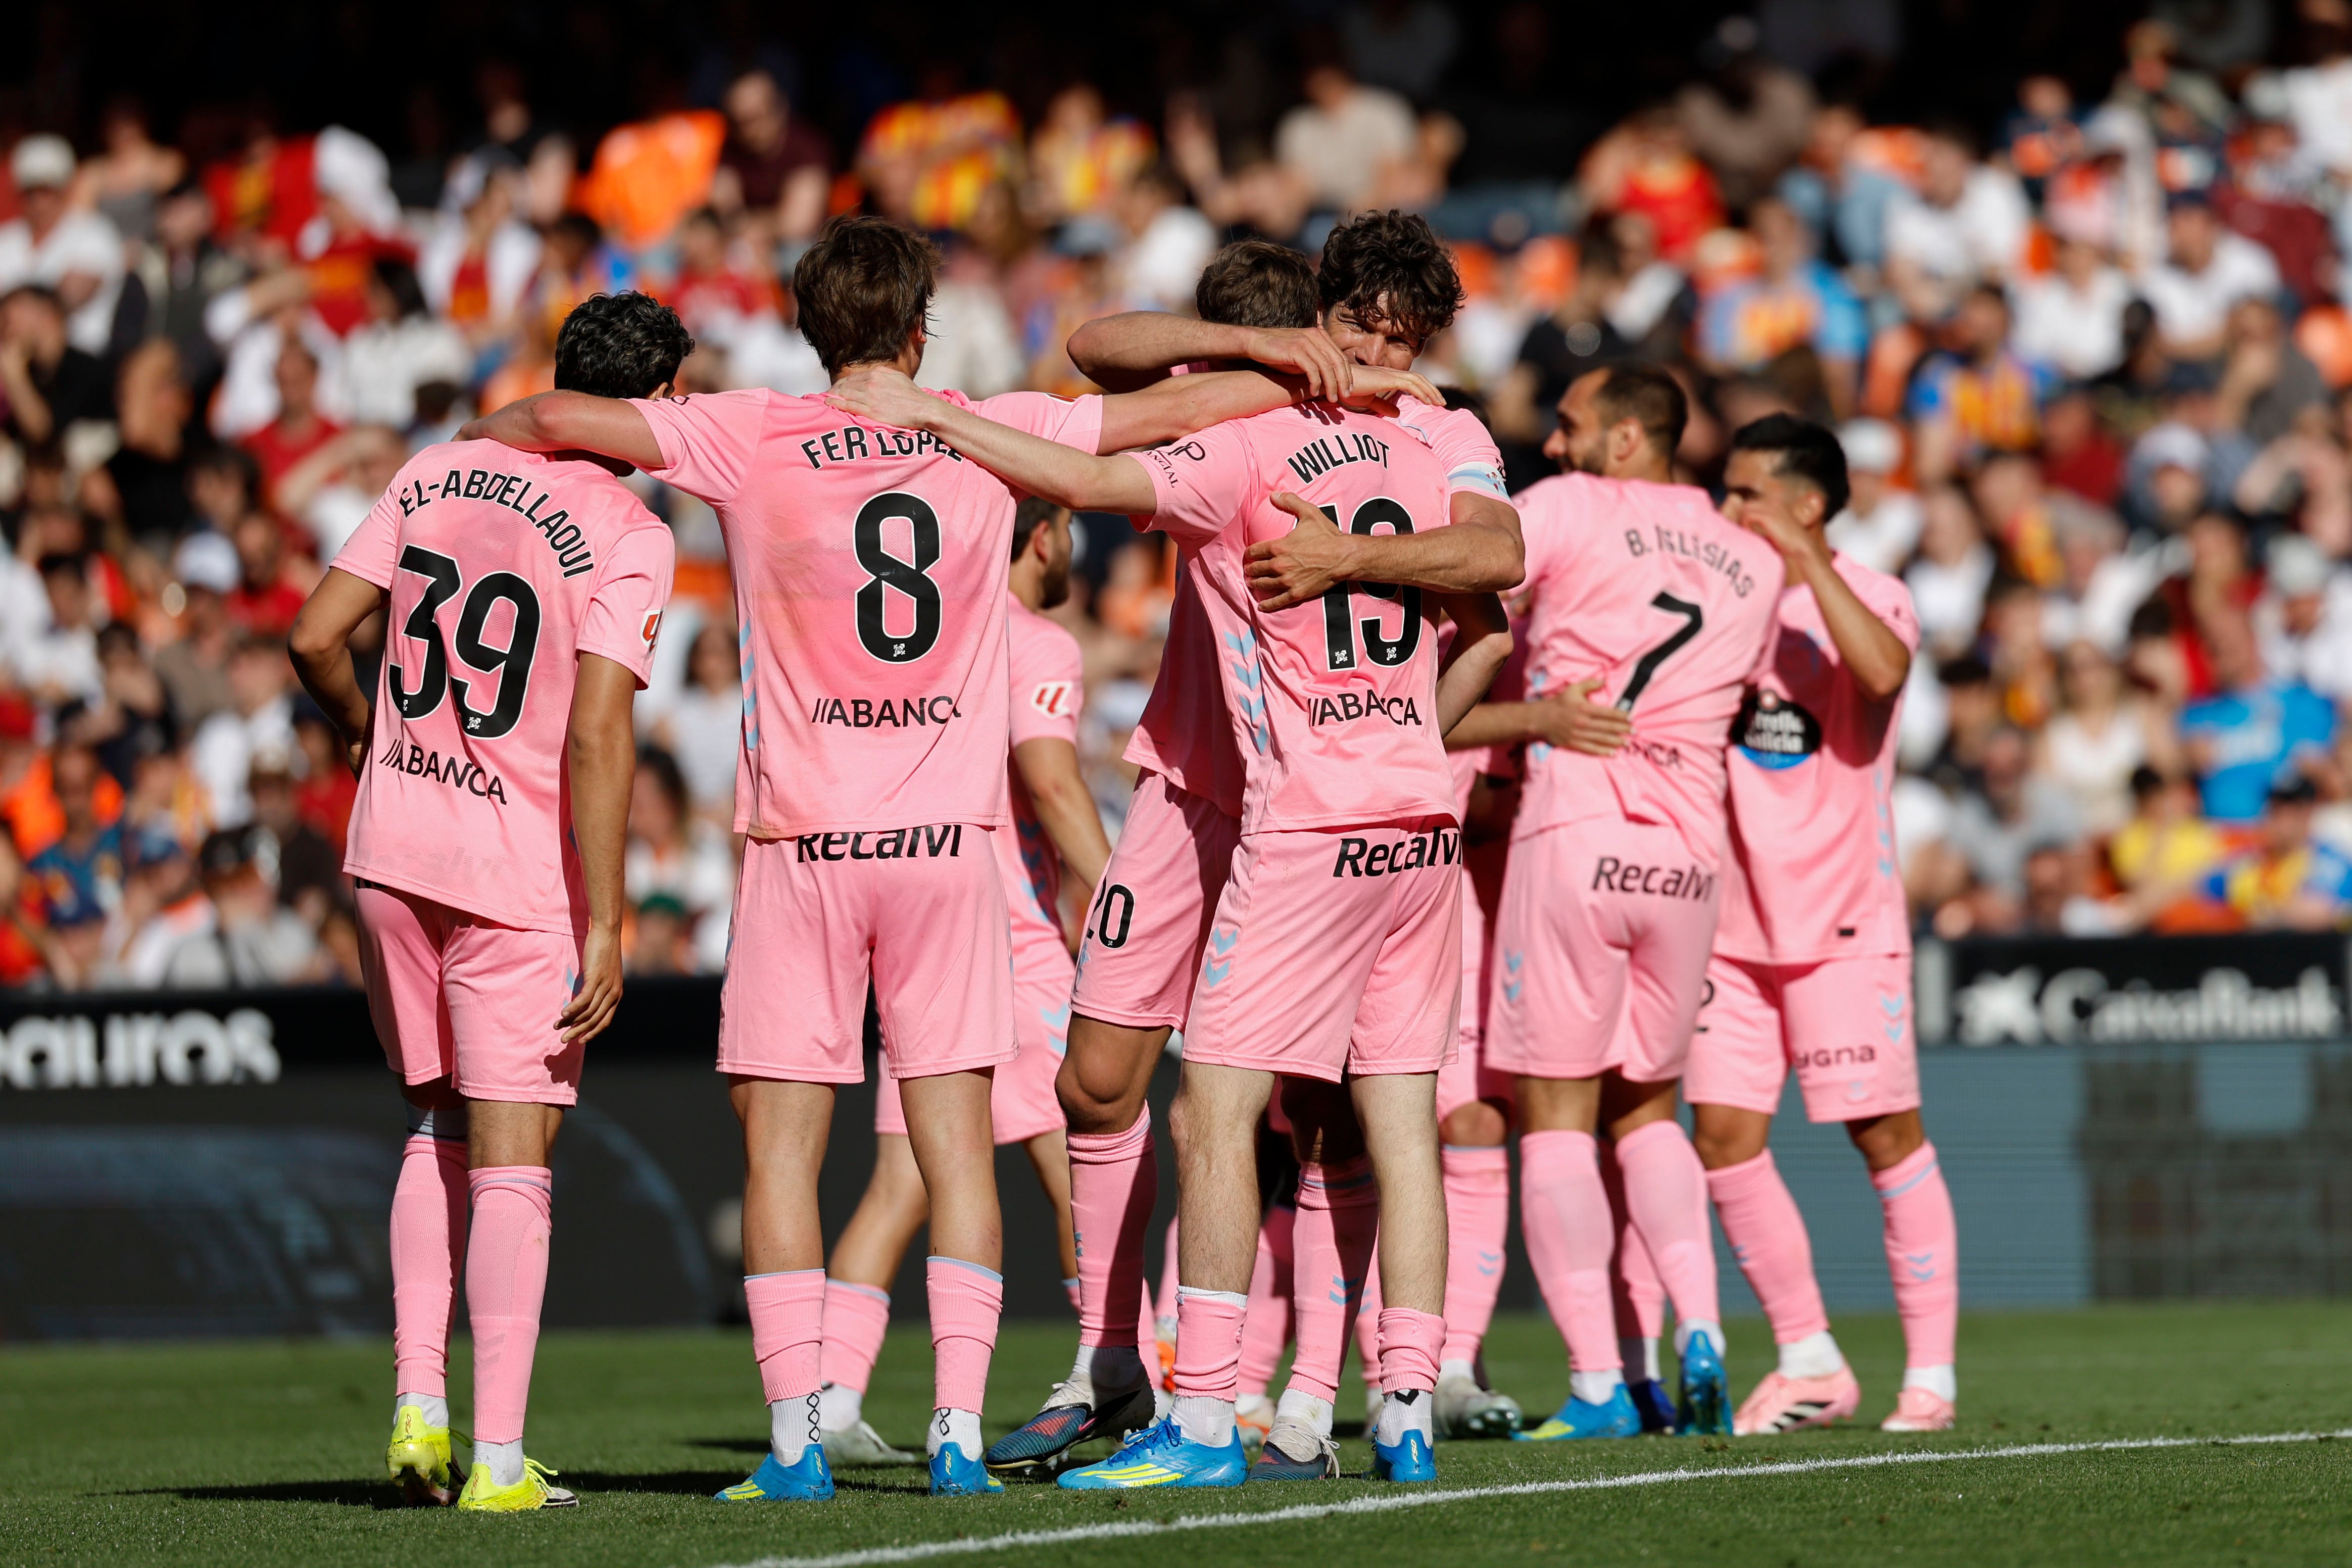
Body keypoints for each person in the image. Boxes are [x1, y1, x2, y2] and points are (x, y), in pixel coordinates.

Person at [461, 215, 1441, 1503]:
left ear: (812, 331)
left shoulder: (746, 429)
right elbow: (1158, 412)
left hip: (801, 845)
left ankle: (797, 1444)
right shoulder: (989, 420)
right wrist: (1331, 368)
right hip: (949, 850)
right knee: (959, 1150)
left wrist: (475, 471)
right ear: (922, 328)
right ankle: (962, 1436)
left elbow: (538, 420)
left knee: (783, 1156)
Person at [823, 293, 1514, 1493]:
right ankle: (1149, 1366)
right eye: (1368, 335)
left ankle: (1260, 1397)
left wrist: (926, 413)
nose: (1385, 359)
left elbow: (1089, 474)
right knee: (1107, 1086)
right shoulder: (1360, 423)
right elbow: (1095, 346)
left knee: (1255, 1113)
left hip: (1302, 808)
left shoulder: (1356, 434)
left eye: (1405, 341)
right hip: (1226, 792)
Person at [287, 289, 687, 1513]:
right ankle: (499, 1463)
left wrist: (371, 741)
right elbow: (603, 727)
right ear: (652, 403)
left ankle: (420, 1415)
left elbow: (314, 638)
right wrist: (611, 915)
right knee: (515, 1157)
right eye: (678, 398)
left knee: (438, 1128)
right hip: (511, 871)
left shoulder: (441, 467)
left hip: (392, 847)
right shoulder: (628, 528)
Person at [1449, 363, 1784, 1441]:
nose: (1552, 441)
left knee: (1552, 1117)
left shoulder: (1561, 509)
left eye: (1570, 421)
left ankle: (1598, 1382)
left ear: (1631, 438)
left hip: (1578, 833)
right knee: (1646, 1111)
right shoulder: (1752, 556)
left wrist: (1532, 713)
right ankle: (1703, 1331)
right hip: (1690, 855)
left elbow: (1474, 596)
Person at [813, 497, 1116, 1468]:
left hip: (910, 935)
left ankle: (827, 1401)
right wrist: (1126, 912)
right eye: (1067, 528)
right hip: (1010, 948)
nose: (1071, 546)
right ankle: (1119, 1378)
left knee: (899, 1187)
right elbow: (1057, 786)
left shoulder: (934, 638)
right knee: (1083, 1177)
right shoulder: (1037, 642)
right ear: (1041, 536)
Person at [1682, 414, 1963, 1436]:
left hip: (1843, 921)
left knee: (1884, 1137)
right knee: (1720, 1136)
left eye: (1747, 492)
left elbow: (1883, 674)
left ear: (1805, 504)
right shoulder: (1720, 593)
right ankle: (1810, 1357)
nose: (1728, 508)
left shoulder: (1875, 594)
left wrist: (1806, 561)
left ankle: (1930, 1378)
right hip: (1728, 926)